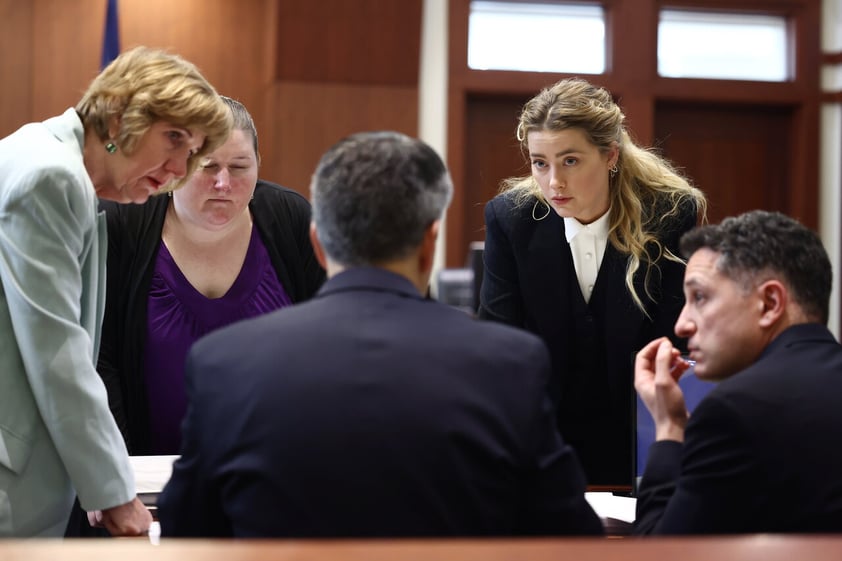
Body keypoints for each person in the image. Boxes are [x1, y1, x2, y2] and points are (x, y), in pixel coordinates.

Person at [156, 131, 603, 538]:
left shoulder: (224, 362)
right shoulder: (510, 364)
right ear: (430, 243)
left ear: (316, 243)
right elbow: (570, 535)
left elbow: (186, 530)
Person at [0, 46, 231, 537]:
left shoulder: (42, 150)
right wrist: (114, 491)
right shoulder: (53, 177)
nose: (177, 169)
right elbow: (57, 351)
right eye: (173, 138)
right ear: (120, 113)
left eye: (190, 153)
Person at [478, 77, 707, 487]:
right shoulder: (510, 219)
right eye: (539, 162)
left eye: (570, 161)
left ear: (610, 156)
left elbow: (671, 343)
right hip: (542, 440)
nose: (553, 183)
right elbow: (499, 344)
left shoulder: (670, 214)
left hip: (638, 435)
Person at [97, 96, 325, 456]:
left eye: (239, 167)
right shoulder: (123, 221)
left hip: (273, 475)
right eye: (207, 166)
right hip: (145, 475)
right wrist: (115, 473)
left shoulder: (289, 218)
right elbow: (98, 358)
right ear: (173, 167)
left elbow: (326, 345)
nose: (223, 183)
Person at [633, 210, 842, 534]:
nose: (682, 325)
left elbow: (662, 554)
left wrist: (671, 428)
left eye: (700, 297)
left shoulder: (733, 411)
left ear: (770, 303)